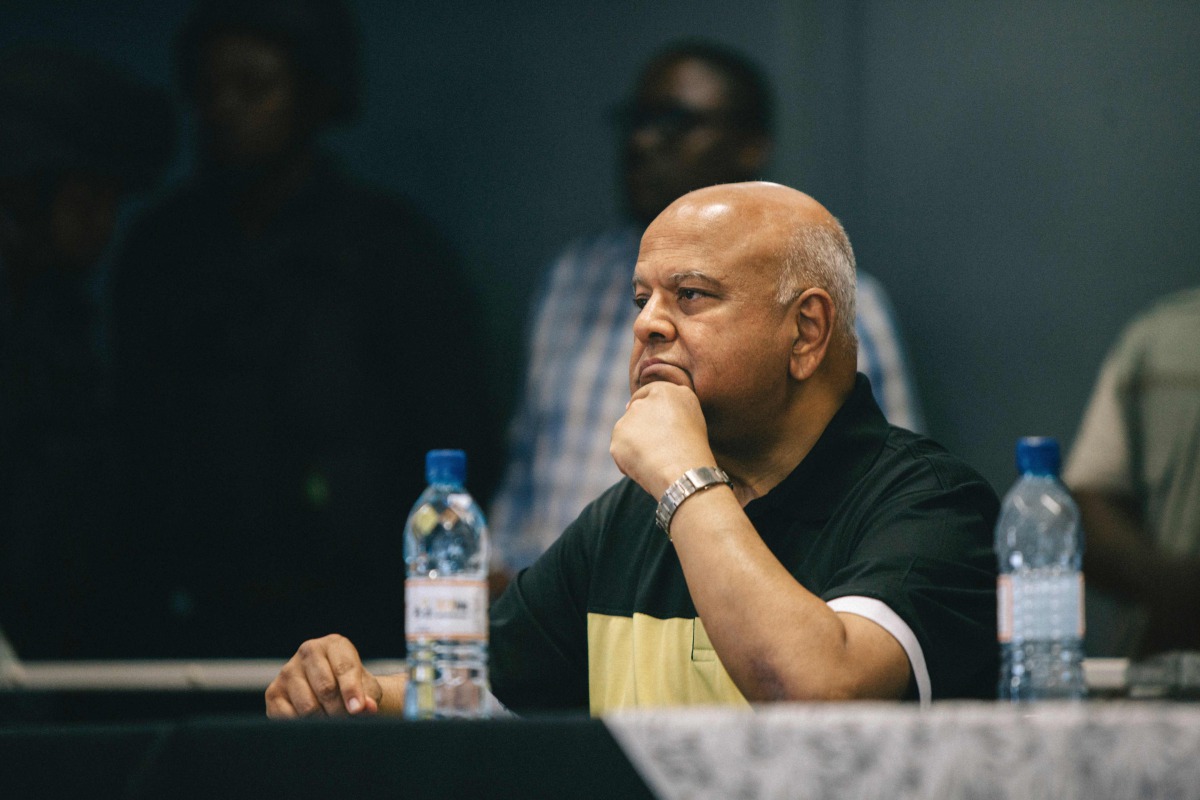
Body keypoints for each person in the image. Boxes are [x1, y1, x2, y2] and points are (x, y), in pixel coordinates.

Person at [265, 182, 998, 718]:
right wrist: (348, 695)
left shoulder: (931, 505)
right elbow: (473, 699)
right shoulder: (625, 519)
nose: (647, 324)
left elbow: (816, 688)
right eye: (640, 298)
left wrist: (684, 479)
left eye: (691, 296)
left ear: (805, 333)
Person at [109, 0, 500, 659]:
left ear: (315, 96)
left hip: (356, 617)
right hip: (195, 617)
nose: (224, 109)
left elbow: (454, 435)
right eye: (208, 90)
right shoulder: (163, 250)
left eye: (254, 88)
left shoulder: (387, 246)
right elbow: (134, 441)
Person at [488, 40, 924, 578]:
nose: (643, 141)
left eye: (692, 294)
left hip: (726, 602)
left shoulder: (836, 300)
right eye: (640, 299)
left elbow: (882, 492)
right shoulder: (571, 277)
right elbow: (526, 472)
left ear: (749, 145)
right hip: (563, 602)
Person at [0, 45, 174, 658]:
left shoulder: (61, 321)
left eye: (111, 198)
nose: (102, 221)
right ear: (21, 194)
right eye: (83, 196)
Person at [1063, 287, 1200, 658]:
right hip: (1168, 660)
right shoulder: (1156, 342)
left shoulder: (1155, 337)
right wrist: (1169, 583)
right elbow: (1089, 503)